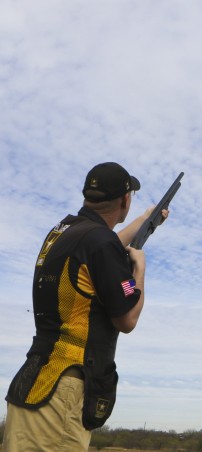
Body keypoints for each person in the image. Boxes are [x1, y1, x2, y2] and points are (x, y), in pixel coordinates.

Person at [3, 162, 167, 451]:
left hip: (35, 381)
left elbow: (105, 251)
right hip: (64, 391)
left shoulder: (64, 231)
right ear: (124, 200)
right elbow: (127, 317)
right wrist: (138, 271)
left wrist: (145, 220)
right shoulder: (100, 245)